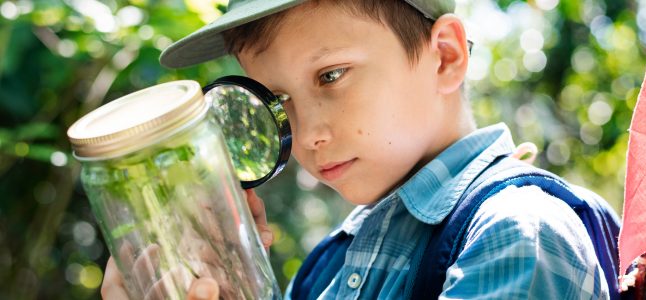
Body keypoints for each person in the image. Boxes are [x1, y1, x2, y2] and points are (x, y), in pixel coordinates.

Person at [101, 0, 613, 299]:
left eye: (331, 76)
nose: (304, 136)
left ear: (445, 57)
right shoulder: (322, 269)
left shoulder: (517, 234)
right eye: (276, 102)